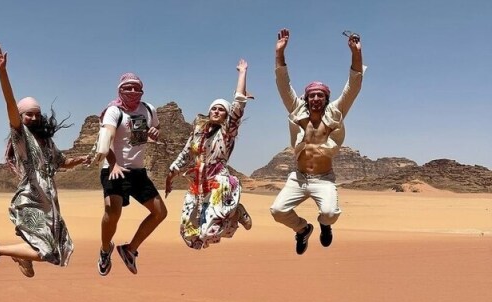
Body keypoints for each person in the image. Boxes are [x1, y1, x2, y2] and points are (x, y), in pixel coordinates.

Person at [0, 41, 89, 278]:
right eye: (28, 113)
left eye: (36, 114)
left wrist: (80, 160)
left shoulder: (47, 142)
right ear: (20, 116)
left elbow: (61, 163)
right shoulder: (22, 136)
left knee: (55, 252)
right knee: (45, 250)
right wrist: (2, 72)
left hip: (48, 201)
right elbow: (9, 103)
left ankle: (20, 255)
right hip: (31, 198)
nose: (33, 117)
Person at [270, 28, 365, 255]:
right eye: (311, 95)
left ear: (326, 98)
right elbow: (283, 84)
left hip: (324, 179)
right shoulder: (297, 110)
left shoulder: (335, 113)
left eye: (319, 95)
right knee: (277, 211)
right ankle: (303, 229)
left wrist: (356, 53)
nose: (315, 98)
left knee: (331, 214)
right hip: (299, 178)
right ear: (306, 98)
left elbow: (354, 86)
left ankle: (323, 224)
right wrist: (280, 54)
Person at [165, 59, 253, 249]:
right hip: (197, 182)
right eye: (214, 108)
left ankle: (236, 211)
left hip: (218, 181)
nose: (216, 111)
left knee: (209, 231)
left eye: (221, 109)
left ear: (226, 115)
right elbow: (185, 154)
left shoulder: (227, 132)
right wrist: (170, 175)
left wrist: (242, 73)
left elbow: (238, 104)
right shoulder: (198, 132)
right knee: (188, 233)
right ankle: (231, 213)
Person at [93, 72, 167, 276]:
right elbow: (105, 137)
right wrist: (113, 164)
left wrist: (155, 133)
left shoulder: (149, 109)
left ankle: (130, 249)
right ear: (120, 89)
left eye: (136, 87)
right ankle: (105, 248)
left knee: (160, 212)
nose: (133, 91)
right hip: (114, 169)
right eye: (128, 87)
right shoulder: (114, 111)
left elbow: (155, 128)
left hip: (137, 172)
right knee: (113, 211)